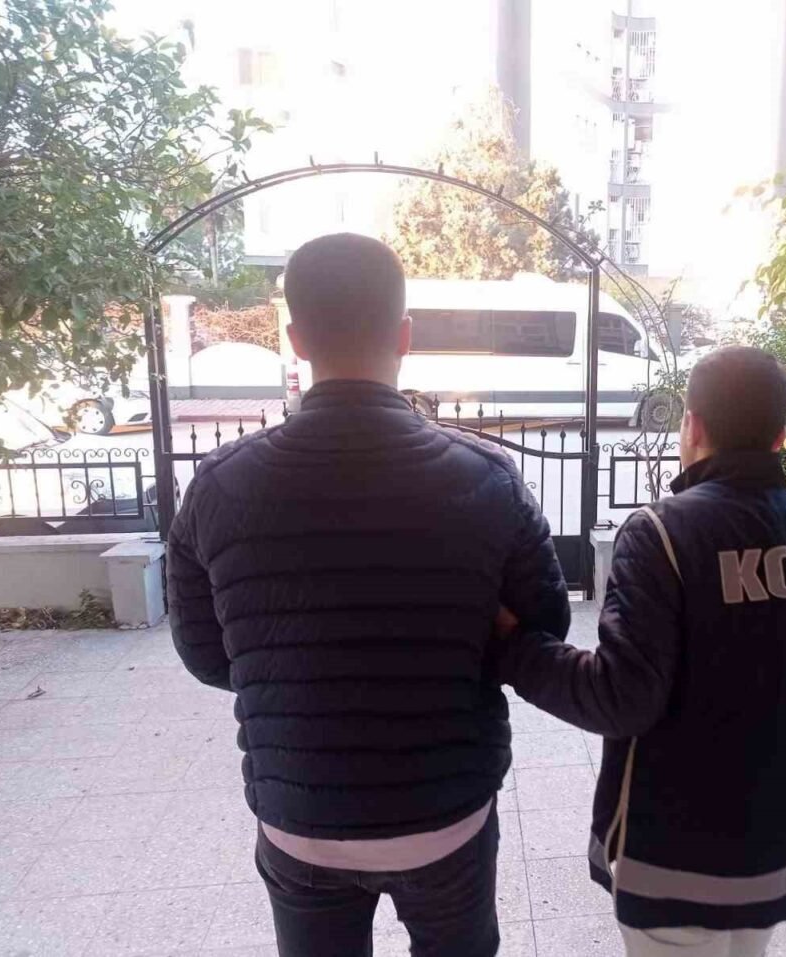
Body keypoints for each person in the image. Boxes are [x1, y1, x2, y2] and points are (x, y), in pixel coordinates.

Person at [166, 233, 569, 957]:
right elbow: (544, 627)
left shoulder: (219, 486)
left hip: (300, 817)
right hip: (445, 813)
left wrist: (291, 660)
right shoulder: (486, 477)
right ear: (404, 336)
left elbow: (206, 657)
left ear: (296, 340)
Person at [496, 346, 786, 957]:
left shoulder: (659, 535)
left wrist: (515, 646)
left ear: (693, 425)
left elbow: (620, 697)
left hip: (677, 868)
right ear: (781, 437)